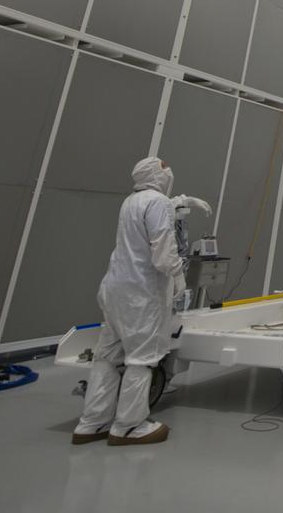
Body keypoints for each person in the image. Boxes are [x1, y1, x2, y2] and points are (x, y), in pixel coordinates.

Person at [72, 156, 183, 446]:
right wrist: (178, 275)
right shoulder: (157, 202)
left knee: (107, 358)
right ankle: (130, 426)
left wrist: (175, 204)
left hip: (115, 289)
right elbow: (162, 252)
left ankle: (92, 423)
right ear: (154, 175)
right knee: (141, 359)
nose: (168, 171)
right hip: (140, 293)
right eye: (163, 167)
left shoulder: (130, 201)